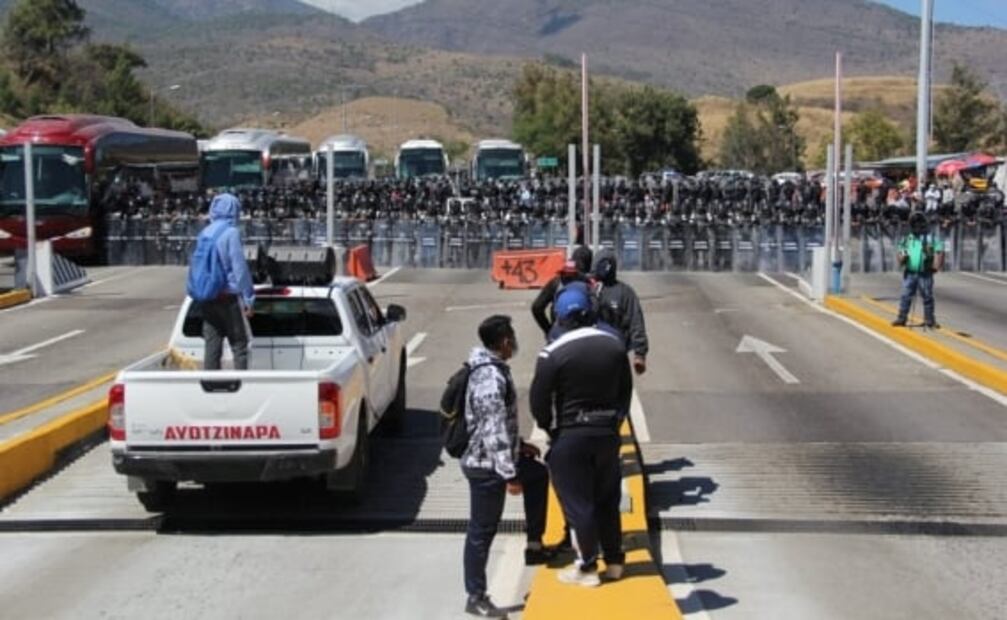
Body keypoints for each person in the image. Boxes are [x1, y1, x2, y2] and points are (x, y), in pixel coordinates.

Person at [530, 290, 632, 588]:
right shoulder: (614, 345)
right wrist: (615, 421)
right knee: (607, 500)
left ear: (561, 317)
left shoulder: (553, 352)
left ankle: (587, 567)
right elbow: (625, 390)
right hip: (607, 433)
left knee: (579, 504)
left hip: (572, 434)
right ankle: (614, 561)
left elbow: (539, 400)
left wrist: (549, 428)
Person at [462, 315, 550, 619]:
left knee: (538, 474)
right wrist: (509, 474)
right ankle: (475, 596)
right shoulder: (490, 378)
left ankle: (535, 543)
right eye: (511, 336)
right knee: (481, 531)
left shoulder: (494, 370)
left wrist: (520, 445)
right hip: (487, 466)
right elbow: (493, 429)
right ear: (503, 342)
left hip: (497, 459)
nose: (514, 341)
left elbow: (501, 428)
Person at [197, 193, 255, 370]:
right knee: (239, 345)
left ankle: (209, 386)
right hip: (227, 297)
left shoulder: (205, 232)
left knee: (212, 345)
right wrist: (248, 298)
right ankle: (240, 387)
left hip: (207, 296)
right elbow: (239, 268)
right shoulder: (231, 233)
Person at [592, 249, 649, 374]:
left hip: (616, 351)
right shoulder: (588, 288)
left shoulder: (625, 292)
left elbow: (636, 322)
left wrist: (640, 354)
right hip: (590, 349)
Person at [893, 212, 944, 329]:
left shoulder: (930, 238)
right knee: (906, 295)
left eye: (920, 224)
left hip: (925, 272)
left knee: (927, 296)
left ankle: (929, 319)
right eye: (915, 224)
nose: (918, 227)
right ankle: (902, 318)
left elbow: (939, 250)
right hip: (910, 272)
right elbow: (900, 252)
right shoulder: (907, 239)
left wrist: (936, 266)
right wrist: (902, 258)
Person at [531, 246, 593, 337]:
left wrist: (548, 330)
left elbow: (536, 307)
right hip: (583, 334)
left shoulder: (557, 281)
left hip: (559, 333)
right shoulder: (589, 283)